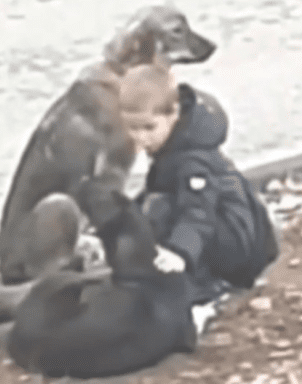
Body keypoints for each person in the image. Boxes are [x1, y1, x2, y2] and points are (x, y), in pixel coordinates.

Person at [118, 64, 279, 296]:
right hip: (224, 226)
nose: (141, 137)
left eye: (149, 127)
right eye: (132, 128)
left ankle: (206, 279)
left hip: (238, 245)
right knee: (152, 206)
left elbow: (199, 212)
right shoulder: (175, 141)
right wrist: (123, 219)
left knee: (161, 209)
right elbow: (158, 186)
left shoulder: (193, 160)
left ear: (173, 113)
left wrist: (179, 253)